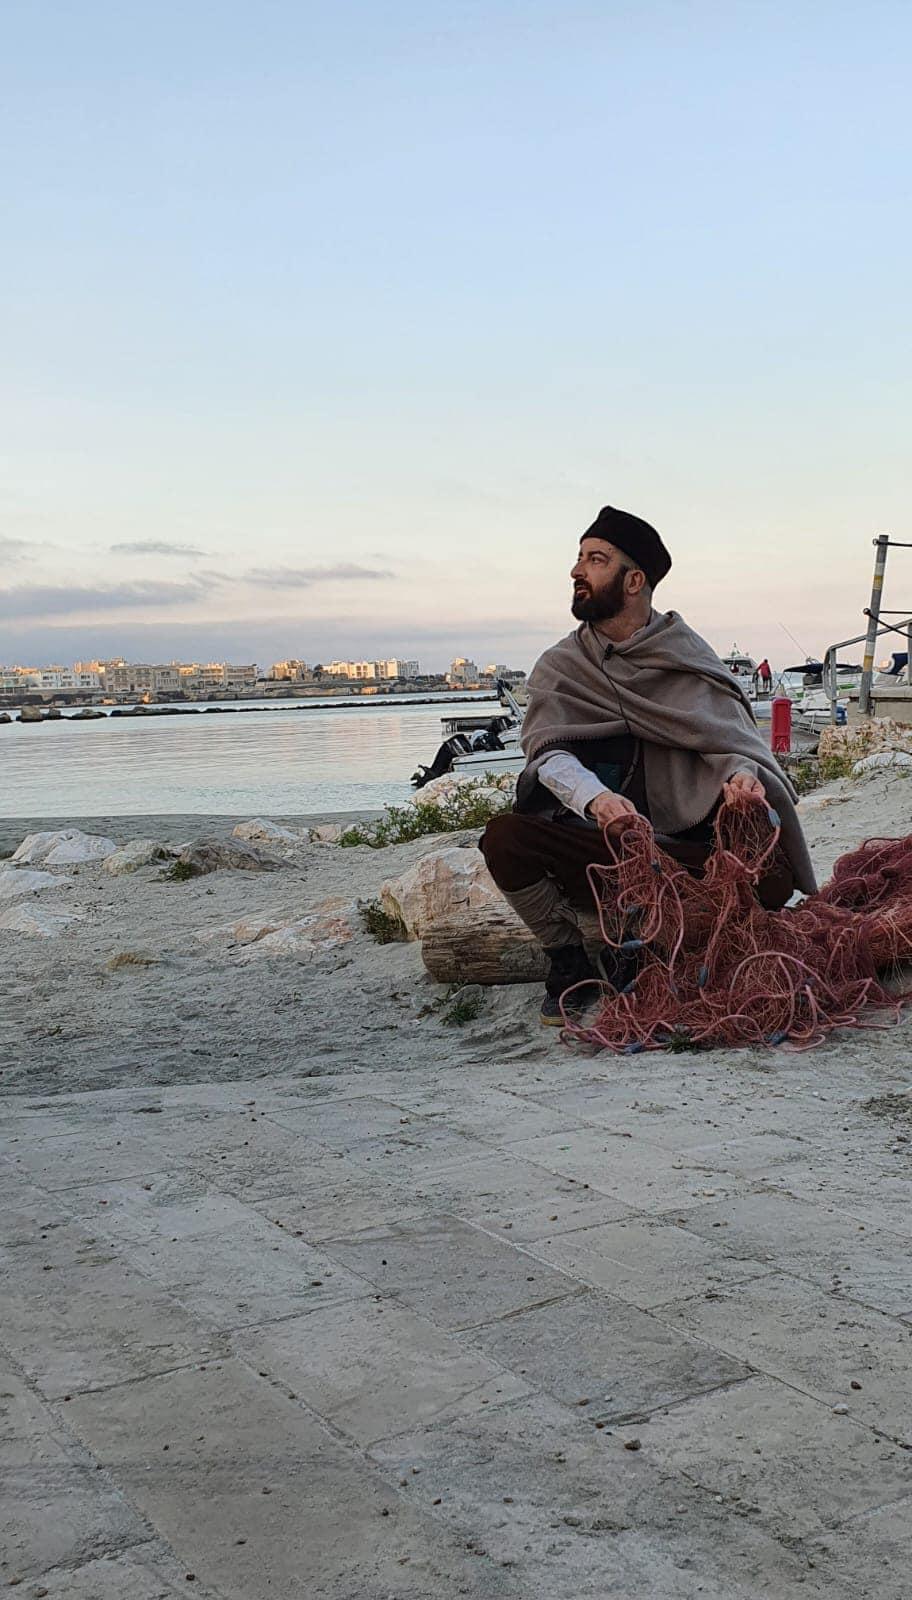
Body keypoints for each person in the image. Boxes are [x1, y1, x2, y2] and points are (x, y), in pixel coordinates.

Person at [480, 506, 816, 1024]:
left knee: (770, 881)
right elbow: (547, 754)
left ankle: (646, 942)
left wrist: (742, 779)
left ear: (634, 580)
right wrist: (596, 799)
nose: (577, 572)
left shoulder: (685, 656)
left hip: (686, 849)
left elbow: (735, 740)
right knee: (505, 838)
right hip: (608, 844)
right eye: (579, 559)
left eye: (596, 560)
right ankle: (568, 959)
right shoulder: (563, 666)